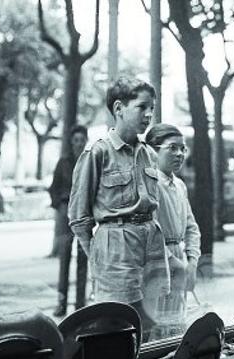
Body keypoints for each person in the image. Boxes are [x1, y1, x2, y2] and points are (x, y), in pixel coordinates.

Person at [68, 76, 168, 335]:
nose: (148, 115)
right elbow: (79, 217)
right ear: (119, 109)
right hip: (116, 247)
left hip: (151, 245)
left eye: (152, 109)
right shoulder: (98, 153)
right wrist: (100, 257)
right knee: (115, 325)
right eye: (142, 107)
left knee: (150, 324)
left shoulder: (149, 154)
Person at [143, 123, 201, 339]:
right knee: (157, 323)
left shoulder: (180, 185)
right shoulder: (150, 185)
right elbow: (150, 231)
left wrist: (192, 262)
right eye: (172, 148)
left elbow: (191, 228)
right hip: (157, 262)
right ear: (153, 151)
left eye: (182, 149)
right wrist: (176, 265)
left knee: (177, 322)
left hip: (180, 259)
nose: (179, 154)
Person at [48, 125, 89, 317]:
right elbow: (53, 188)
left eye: (82, 140)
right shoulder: (63, 163)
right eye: (76, 140)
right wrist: (60, 206)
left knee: (83, 259)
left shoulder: (90, 161)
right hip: (66, 213)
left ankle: (80, 305)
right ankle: (61, 302)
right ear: (71, 142)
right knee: (64, 259)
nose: (79, 144)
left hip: (85, 213)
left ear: (85, 141)